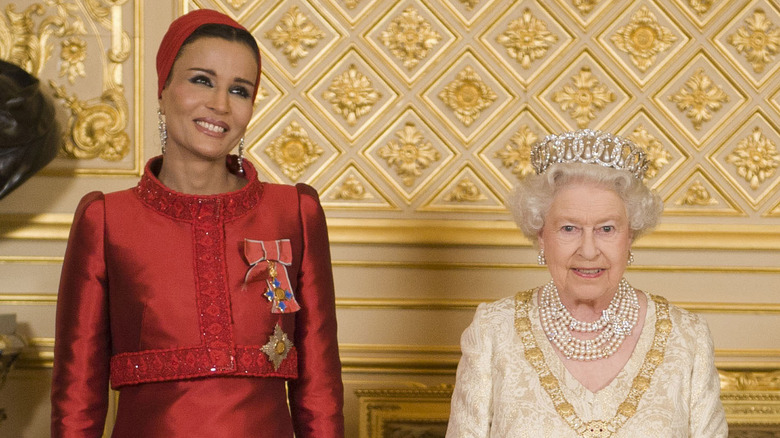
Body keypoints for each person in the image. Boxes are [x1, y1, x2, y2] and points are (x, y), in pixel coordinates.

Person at [51, 9, 344, 437]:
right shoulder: (107, 220)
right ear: (163, 88)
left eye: (239, 90)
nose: (220, 105)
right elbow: (77, 398)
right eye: (202, 80)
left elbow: (320, 391)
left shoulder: (294, 212)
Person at [446, 129, 727, 437]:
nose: (589, 250)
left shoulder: (687, 338)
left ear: (630, 236)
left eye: (606, 229)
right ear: (541, 236)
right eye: (569, 228)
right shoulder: (493, 332)